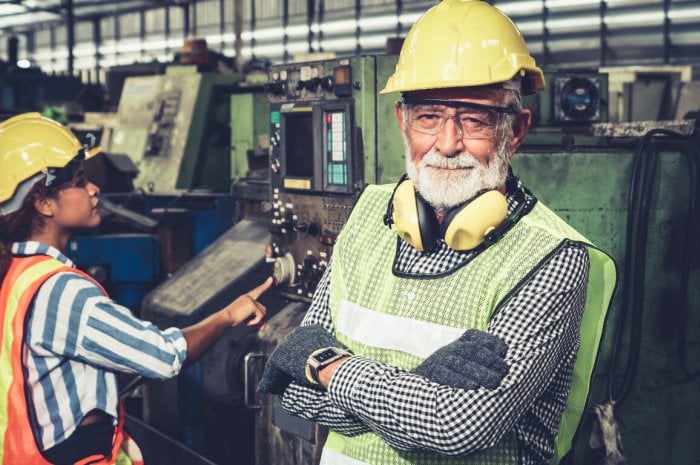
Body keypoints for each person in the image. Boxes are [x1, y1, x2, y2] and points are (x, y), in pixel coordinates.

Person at [258, 1, 617, 465]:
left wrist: (329, 367)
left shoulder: (552, 258)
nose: (448, 144)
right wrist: (420, 391)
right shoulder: (368, 215)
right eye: (429, 117)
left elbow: (462, 425)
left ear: (516, 131)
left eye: (474, 120)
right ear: (403, 122)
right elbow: (294, 393)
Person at [0, 112, 273, 464]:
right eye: (80, 182)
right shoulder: (61, 291)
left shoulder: (14, 275)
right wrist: (227, 315)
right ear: (43, 201)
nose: (94, 189)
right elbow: (162, 356)